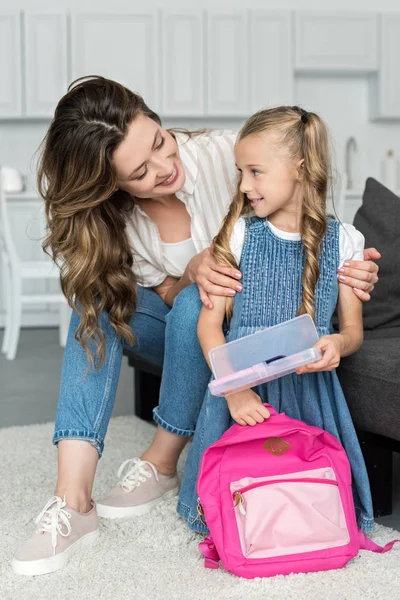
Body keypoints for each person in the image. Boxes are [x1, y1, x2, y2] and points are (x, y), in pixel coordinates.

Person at [11, 78, 379, 576]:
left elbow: (302, 217)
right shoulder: (112, 221)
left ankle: (164, 462)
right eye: (140, 171)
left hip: (237, 332)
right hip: (191, 330)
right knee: (100, 303)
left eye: (160, 142)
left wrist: (350, 268)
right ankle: (73, 503)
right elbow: (167, 294)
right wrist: (192, 272)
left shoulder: (227, 156)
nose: (166, 167)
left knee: (194, 302)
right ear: (108, 185)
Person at [177, 106, 374, 534]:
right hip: (243, 387)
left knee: (306, 499)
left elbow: (353, 330)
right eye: (240, 172)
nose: (245, 185)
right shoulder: (240, 234)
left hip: (309, 392)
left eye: (255, 171)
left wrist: (338, 345)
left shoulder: (345, 241)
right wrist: (236, 392)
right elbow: (209, 327)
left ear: (299, 168)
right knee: (236, 504)